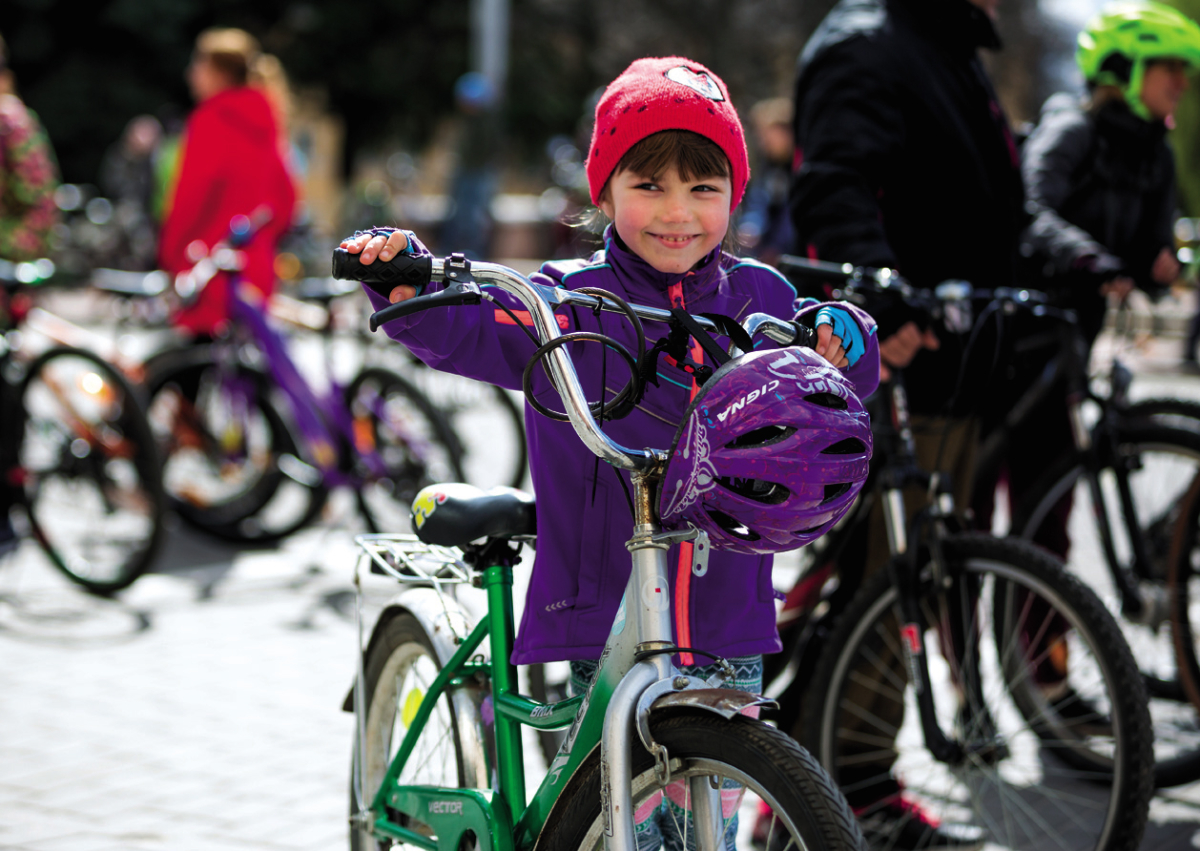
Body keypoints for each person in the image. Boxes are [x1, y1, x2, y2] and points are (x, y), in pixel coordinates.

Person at [343, 56, 880, 850]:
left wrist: (845, 336)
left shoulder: (759, 296)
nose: (678, 212)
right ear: (604, 191)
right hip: (603, 611)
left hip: (728, 613)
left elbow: (833, 370)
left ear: (735, 194)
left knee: (710, 826)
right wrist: (407, 285)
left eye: (704, 188)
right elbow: (471, 328)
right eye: (649, 185)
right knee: (615, 821)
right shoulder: (563, 299)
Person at [788, 0, 1023, 847]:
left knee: (902, 576)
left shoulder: (947, 49)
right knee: (886, 583)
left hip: (953, 364)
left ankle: (813, 786)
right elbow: (835, 184)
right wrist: (876, 299)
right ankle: (845, 794)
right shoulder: (869, 44)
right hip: (898, 362)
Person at [158, 28, 296, 336]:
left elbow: (191, 197)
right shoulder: (268, 120)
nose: (191, 74)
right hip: (255, 270)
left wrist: (170, 252)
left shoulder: (211, 119)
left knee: (189, 371)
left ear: (219, 72)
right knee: (245, 375)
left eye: (198, 65)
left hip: (209, 267)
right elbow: (286, 200)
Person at [0, 31, 60, 556]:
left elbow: (38, 204)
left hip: (7, 273)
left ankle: (9, 504)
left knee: (5, 393)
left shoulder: (8, 119)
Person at [737, 97, 795, 265]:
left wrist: (776, 247)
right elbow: (759, 202)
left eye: (769, 135)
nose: (764, 142)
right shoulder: (769, 166)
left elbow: (790, 215)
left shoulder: (797, 169)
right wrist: (751, 227)